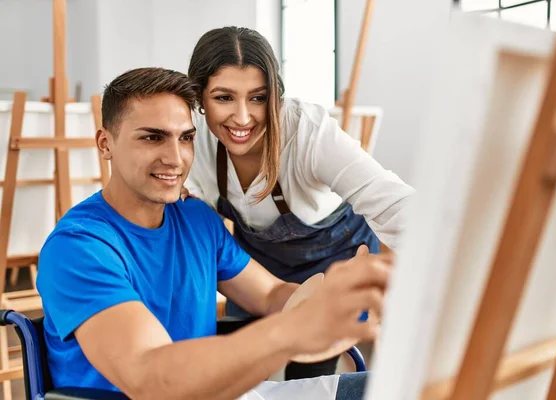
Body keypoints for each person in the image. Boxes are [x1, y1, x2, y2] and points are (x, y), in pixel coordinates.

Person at [36, 67, 392, 400]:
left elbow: (270, 293)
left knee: (400, 387)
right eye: (152, 138)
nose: (175, 158)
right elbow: (149, 379)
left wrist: (332, 299)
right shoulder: (79, 247)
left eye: (186, 138)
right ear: (105, 144)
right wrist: (293, 330)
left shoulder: (195, 219)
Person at [184, 26, 414, 380]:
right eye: (224, 98)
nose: (242, 117)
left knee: (321, 378)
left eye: (258, 98)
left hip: (336, 264)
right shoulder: (193, 140)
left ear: (275, 95)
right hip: (257, 274)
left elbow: (394, 204)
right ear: (200, 97)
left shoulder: (308, 132)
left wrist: (434, 272)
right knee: (244, 375)